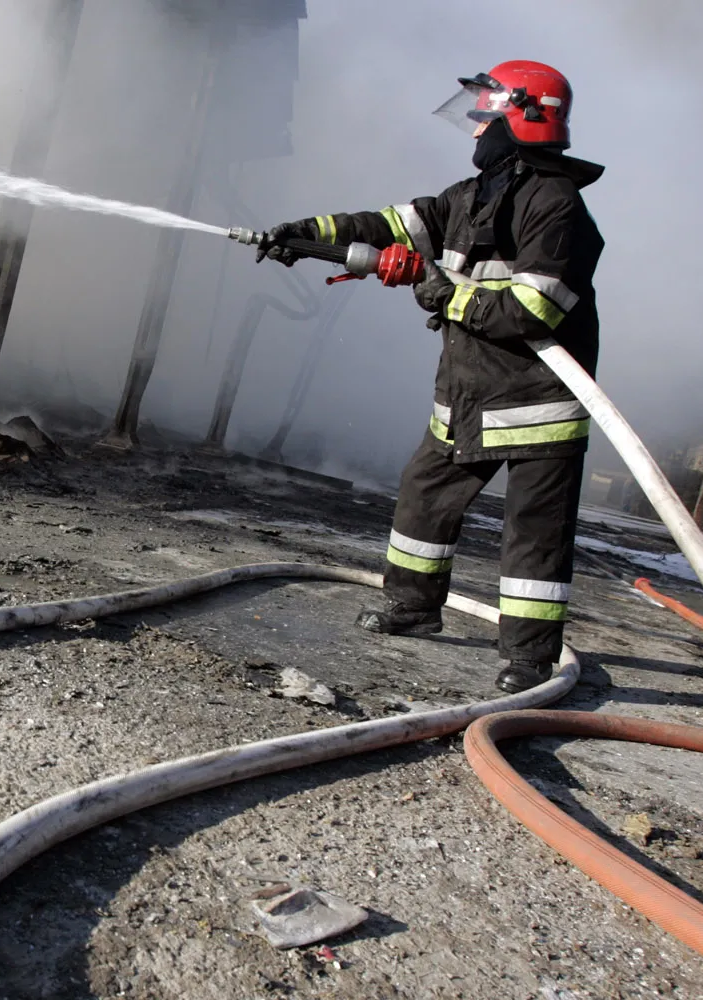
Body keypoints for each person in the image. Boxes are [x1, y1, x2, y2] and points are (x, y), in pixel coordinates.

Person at [257, 61, 605, 693]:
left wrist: (440, 292)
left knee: (533, 537)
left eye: (484, 118)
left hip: (538, 405)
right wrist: (308, 235)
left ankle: (529, 658)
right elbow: (391, 226)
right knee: (424, 496)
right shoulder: (470, 196)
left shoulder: (555, 207)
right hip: (468, 393)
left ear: (522, 118)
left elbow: (533, 312)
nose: (474, 132)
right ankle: (414, 607)